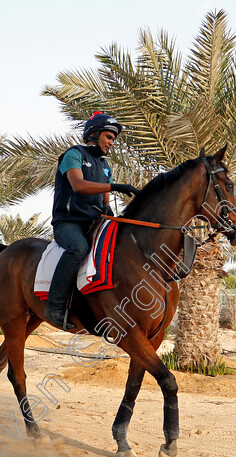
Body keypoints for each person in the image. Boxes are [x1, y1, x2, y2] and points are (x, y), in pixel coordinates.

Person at [44, 112, 141, 329]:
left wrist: (117, 220)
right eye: (108, 137)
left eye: (113, 139)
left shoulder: (105, 166)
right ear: (94, 134)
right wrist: (116, 186)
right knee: (79, 248)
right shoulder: (73, 155)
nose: (111, 143)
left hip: (93, 222)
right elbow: (78, 185)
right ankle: (54, 306)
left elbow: (105, 204)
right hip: (68, 223)